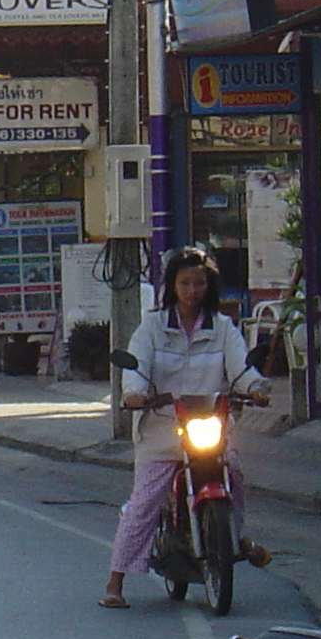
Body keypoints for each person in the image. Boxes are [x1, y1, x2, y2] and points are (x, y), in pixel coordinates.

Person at [97, 246, 272, 610]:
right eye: (185, 283)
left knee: (234, 477)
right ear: (173, 286)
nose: (193, 290)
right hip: (162, 427)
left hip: (209, 424)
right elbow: (137, 367)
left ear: (210, 286)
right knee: (145, 501)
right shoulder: (152, 327)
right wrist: (134, 393)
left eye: (200, 283)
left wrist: (254, 388)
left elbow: (240, 367)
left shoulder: (223, 328)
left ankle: (234, 541)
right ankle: (116, 581)